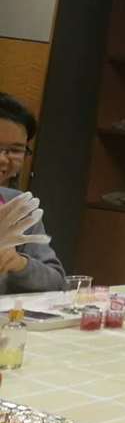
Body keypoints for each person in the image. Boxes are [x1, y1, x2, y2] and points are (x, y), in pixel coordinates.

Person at [0, 93, 66, 294]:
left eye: (15, 150)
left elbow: (57, 282)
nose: (3, 159)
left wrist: (20, 264)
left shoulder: (17, 206)